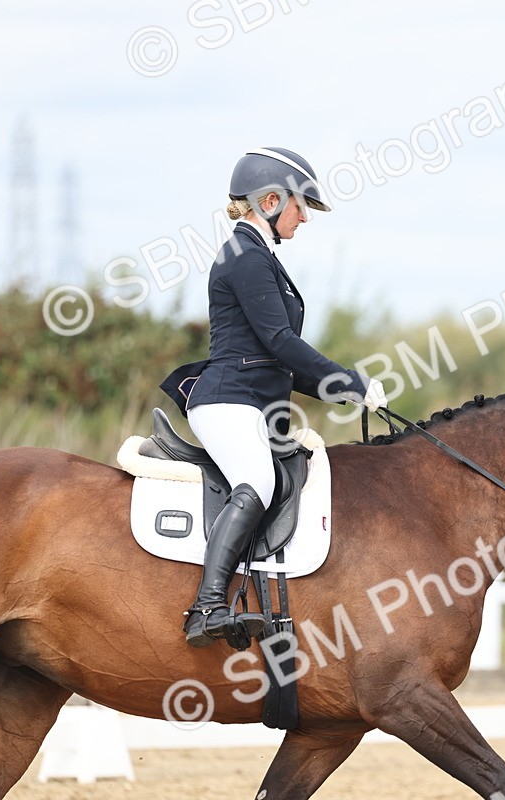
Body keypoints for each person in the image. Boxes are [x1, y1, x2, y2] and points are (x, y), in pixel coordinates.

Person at [161, 147, 386, 647]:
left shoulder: (259, 256)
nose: (304, 217)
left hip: (248, 400)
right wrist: (350, 381)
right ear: (269, 200)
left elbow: (278, 359)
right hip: (228, 400)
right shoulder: (245, 257)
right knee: (257, 479)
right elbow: (281, 342)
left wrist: (344, 392)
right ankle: (207, 607)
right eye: (300, 205)